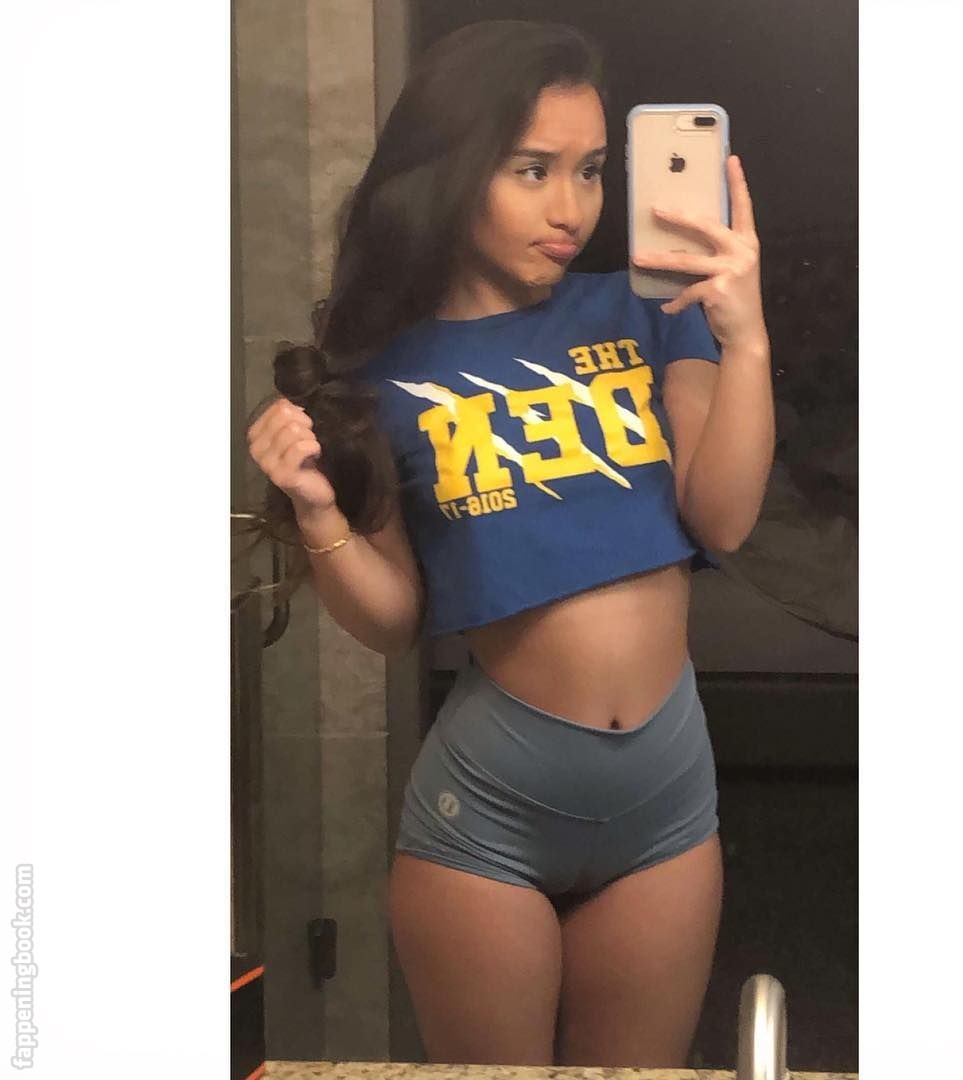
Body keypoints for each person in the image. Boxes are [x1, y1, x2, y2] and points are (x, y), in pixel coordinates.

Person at [244, 19, 774, 1070]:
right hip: (491, 813)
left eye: (590, 170)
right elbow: (394, 619)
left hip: (666, 801)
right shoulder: (381, 369)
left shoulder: (647, 309)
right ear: (451, 169)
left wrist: (746, 335)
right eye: (533, 170)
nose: (571, 208)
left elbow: (721, 516)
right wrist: (318, 514)